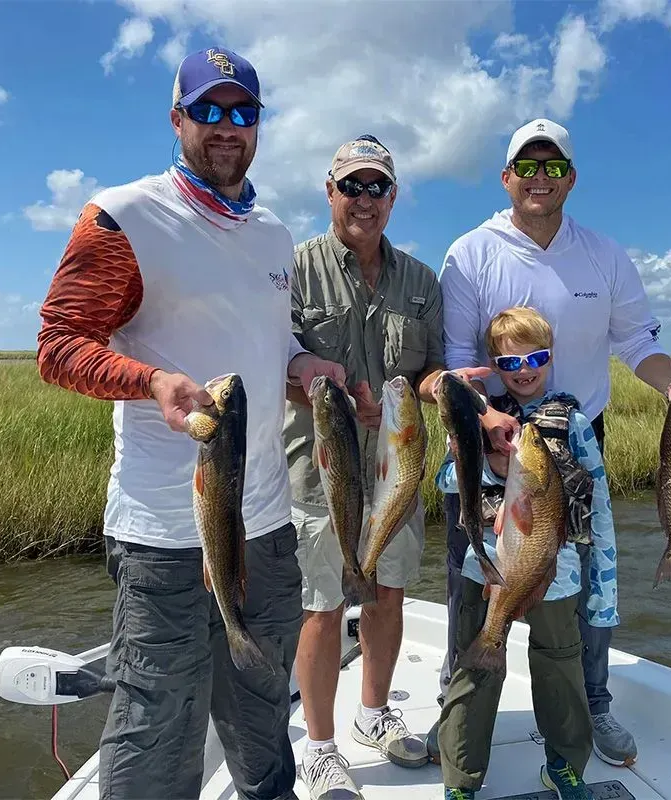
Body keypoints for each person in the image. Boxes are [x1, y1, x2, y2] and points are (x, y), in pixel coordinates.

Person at [36, 46, 345, 800]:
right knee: (156, 720)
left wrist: (302, 368)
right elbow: (58, 345)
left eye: (242, 112)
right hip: (164, 534)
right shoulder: (124, 215)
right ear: (177, 119)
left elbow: (267, 344)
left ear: (258, 125)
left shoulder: (272, 233)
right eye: (208, 110)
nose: (225, 127)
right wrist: (150, 382)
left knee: (262, 700)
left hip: (267, 527)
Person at [435, 117, 671, 769]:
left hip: (577, 444)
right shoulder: (470, 252)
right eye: (528, 165)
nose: (539, 178)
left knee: (579, 586)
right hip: (491, 445)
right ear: (506, 177)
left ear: (571, 179)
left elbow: (637, 342)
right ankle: (458, 705)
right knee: (475, 584)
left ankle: (593, 703)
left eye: (553, 167)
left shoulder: (603, 255)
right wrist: (488, 427)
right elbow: (458, 360)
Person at [283, 134, 473, 800]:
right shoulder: (293, 267)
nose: (366, 200)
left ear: (393, 197)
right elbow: (269, 358)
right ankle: (321, 746)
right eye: (353, 186)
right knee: (322, 606)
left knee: (389, 592)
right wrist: (319, 389)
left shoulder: (420, 282)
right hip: (319, 470)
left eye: (378, 187)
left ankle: (372, 716)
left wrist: (445, 386)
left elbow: (423, 372)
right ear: (329, 191)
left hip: (397, 471)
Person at [435, 305, 615, 800]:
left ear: (551, 357)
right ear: (494, 366)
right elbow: (446, 481)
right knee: (474, 671)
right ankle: (461, 779)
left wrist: (605, 590)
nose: (524, 371)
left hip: (556, 576)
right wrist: (490, 463)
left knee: (561, 669)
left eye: (534, 357)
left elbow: (598, 505)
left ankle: (564, 765)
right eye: (509, 363)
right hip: (485, 570)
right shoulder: (478, 418)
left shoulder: (573, 424)